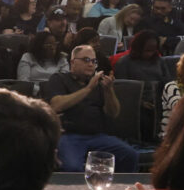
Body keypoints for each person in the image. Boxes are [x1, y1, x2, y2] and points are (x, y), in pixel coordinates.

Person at [40, 41, 138, 173]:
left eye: (94, 61)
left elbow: (113, 113)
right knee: (72, 167)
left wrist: (109, 91)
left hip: (98, 136)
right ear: (73, 62)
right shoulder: (59, 79)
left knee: (130, 155)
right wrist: (88, 88)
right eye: (86, 60)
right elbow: (56, 105)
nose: (91, 64)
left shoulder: (99, 84)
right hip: (69, 136)